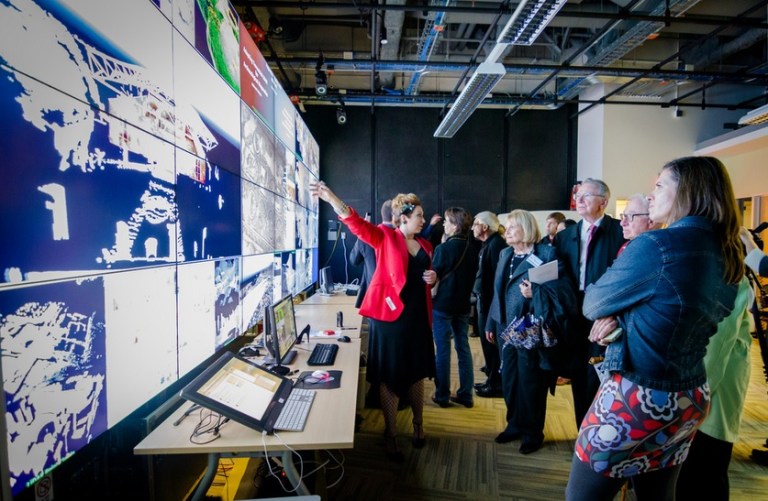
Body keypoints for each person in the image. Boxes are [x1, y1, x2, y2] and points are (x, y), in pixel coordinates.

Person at [565, 156, 743, 501]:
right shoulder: (726, 249)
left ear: (687, 192)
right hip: (690, 394)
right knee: (658, 495)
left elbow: (594, 303)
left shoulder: (655, 245)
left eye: (660, 185)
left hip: (639, 396)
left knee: (581, 496)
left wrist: (621, 315)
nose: (651, 194)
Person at [310, 181, 437, 462]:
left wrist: (434, 278)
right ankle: (390, 433)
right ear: (403, 218)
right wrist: (331, 197)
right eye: (419, 216)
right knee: (390, 377)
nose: (423, 221)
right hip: (389, 321)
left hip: (417, 320)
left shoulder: (426, 245)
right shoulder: (384, 237)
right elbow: (355, 224)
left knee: (417, 374)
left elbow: (429, 278)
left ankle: (418, 425)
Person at [486, 210, 576, 453]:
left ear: (526, 229)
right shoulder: (506, 254)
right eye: (508, 226)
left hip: (530, 330)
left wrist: (535, 291)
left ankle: (532, 433)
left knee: (531, 384)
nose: (508, 230)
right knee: (510, 380)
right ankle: (514, 424)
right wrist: (490, 322)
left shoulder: (545, 253)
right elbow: (498, 292)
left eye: (513, 226)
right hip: (505, 328)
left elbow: (562, 291)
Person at [554, 178, 625, 429]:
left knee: (602, 375)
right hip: (574, 315)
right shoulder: (565, 237)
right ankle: (581, 431)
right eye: (578, 195)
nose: (579, 200)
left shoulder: (619, 232)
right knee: (578, 373)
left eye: (586, 195)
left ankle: (602, 431)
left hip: (605, 316)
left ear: (603, 202)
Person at [676, 275, 752, 500]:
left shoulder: (726, 274)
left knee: (705, 474)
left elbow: (715, 349)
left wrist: (687, 401)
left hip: (707, 395)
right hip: (693, 390)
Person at [431, 207, 480, 408]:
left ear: (456, 225)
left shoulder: (443, 249)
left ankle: (442, 395)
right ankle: (466, 394)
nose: (444, 224)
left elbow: (434, 278)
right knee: (464, 349)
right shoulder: (473, 249)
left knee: (443, 350)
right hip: (463, 305)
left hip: (442, 305)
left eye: (447, 221)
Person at [472, 211, 507, 398]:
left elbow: (496, 281)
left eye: (475, 223)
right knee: (487, 346)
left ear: (485, 227)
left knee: (491, 345)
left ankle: (495, 385)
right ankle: (491, 380)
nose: (472, 228)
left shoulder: (496, 246)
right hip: (484, 302)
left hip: (489, 304)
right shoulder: (489, 244)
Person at [349, 200, 392, 308]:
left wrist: (361, 235)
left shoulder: (366, 238)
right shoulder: (402, 237)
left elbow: (354, 260)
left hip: (371, 295)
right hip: (394, 298)